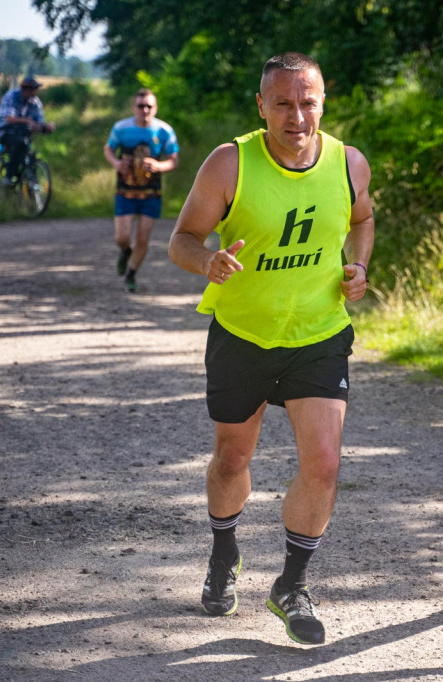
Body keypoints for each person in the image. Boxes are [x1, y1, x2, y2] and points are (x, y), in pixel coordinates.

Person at [168, 52, 374, 646]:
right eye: (282, 102)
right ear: (262, 106)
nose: (296, 114)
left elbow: (363, 219)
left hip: (318, 334)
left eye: (307, 101)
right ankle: (224, 550)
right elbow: (181, 241)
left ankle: (292, 583)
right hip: (243, 334)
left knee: (325, 462)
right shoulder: (229, 163)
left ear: (323, 102)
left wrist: (357, 264)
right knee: (233, 458)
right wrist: (208, 260)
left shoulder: (347, 162)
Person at [104, 88, 180, 292]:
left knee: (143, 238)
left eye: (149, 106)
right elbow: (109, 149)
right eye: (140, 106)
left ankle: (131, 274)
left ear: (155, 109)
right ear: (134, 107)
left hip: (151, 193)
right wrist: (117, 163)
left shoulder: (164, 131)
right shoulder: (121, 128)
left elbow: (173, 160)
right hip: (125, 191)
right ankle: (124, 251)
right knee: (122, 237)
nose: (144, 110)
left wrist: (158, 166)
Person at [0, 76, 56, 185]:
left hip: (23, 133)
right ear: (25, 90)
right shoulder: (12, 97)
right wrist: (27, 120)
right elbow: (8, 119)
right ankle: (8, 178)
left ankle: (30, 185)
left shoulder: (35, 102)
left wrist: (46, 126)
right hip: (6, 132)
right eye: (33, 89)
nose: (35, 92)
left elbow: (39, 120)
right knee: (20, 143)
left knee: (27, 153)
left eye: (36, 89)